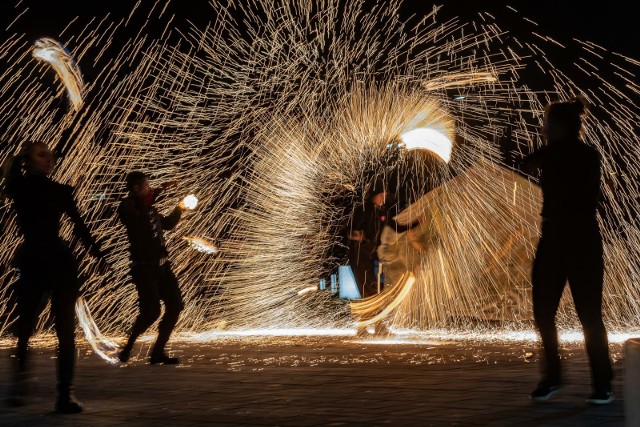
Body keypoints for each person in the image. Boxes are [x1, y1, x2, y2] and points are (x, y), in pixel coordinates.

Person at [2, 141, 108, 413]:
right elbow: (7, 175)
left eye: (51, 155)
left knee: (65, 330)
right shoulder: (19, 187)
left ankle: (65, 394)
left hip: (60, 263)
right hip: (33, 261)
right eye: (41, 155)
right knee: (25, 327)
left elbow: (79, 225)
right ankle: (20, 384)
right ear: (27, 160)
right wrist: (18, 159)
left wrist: (99, 255)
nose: (49, 159)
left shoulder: (60, 191)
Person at [525, 97, 614, 404]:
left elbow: (558, 175)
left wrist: (547, 154)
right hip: (552, 236)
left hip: (580, 239)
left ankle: (603, 383)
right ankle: (552, 377)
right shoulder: (552, 153)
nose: (544, 128)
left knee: (589, 315)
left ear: (562, 126)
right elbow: (525, 164)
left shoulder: (584, 155)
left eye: (548, 123)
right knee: (543, 312)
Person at [117, 171, 187, 365]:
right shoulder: (127, 207)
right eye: (147, 186)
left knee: (175, 305)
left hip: (163, 267)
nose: (150, 189)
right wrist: (163, 189)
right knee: (151, 312)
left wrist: (180, 207)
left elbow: (168, 224)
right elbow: (138, 207)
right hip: (144, 269)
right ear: (136, 188)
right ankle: (127, 347)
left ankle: (157, 351)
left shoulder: (151, 210)